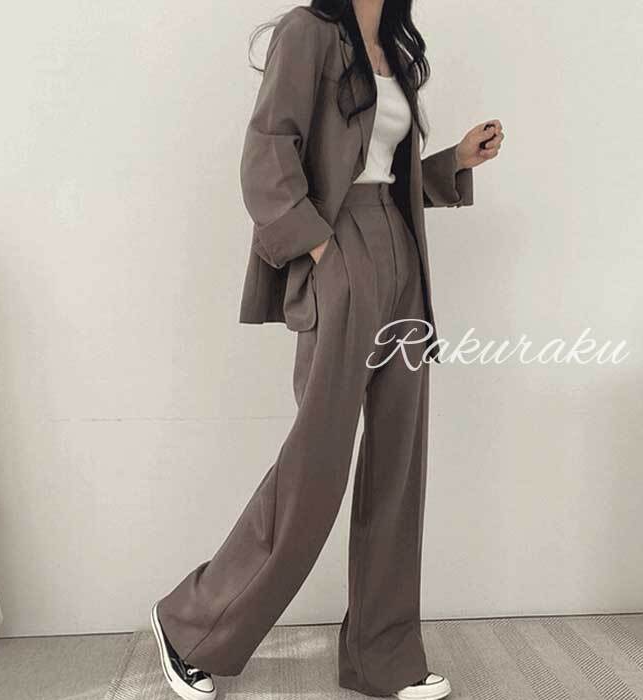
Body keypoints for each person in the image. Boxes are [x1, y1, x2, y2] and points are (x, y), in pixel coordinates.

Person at [150, 1, 504, 699]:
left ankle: (382, 656)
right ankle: (190, 624)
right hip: (339, 251)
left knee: (399, 464)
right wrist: (320, 251)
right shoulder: (306, 34)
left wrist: (455, 162)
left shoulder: (395, 48)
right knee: (316, 468)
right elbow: (267, 154)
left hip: (401, 252)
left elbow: (382, 173)